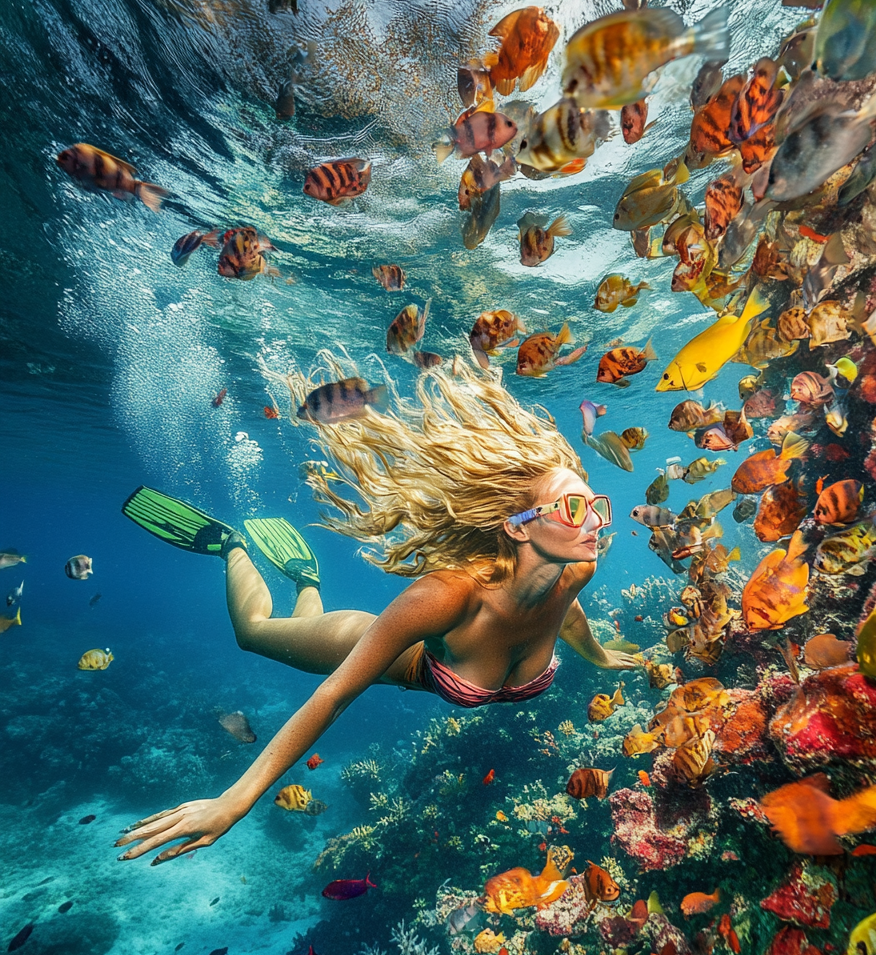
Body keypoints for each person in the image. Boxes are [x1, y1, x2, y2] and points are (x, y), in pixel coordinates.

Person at [115, 359, 637, 864]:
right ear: (518, 527)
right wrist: (238, 798)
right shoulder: (449, 595)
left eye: (597, 507)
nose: (594, 522)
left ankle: (304, 578)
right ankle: (229, 545)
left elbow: (564, 614)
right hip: (367, 643)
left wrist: (599, 656)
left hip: (416, 643)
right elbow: (335, 693)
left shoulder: (575, 572)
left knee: (292, 620)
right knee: (253, 632)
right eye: (573, 509)